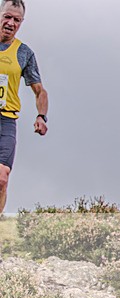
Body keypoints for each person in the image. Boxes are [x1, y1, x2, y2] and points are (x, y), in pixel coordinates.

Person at [0, 0, 48, 215]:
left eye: (16, 20)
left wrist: (41, 116)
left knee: (2, 178)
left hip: (6, 120)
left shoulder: (24, 53)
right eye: (7, 17)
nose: (11, 23)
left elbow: (40, 91)